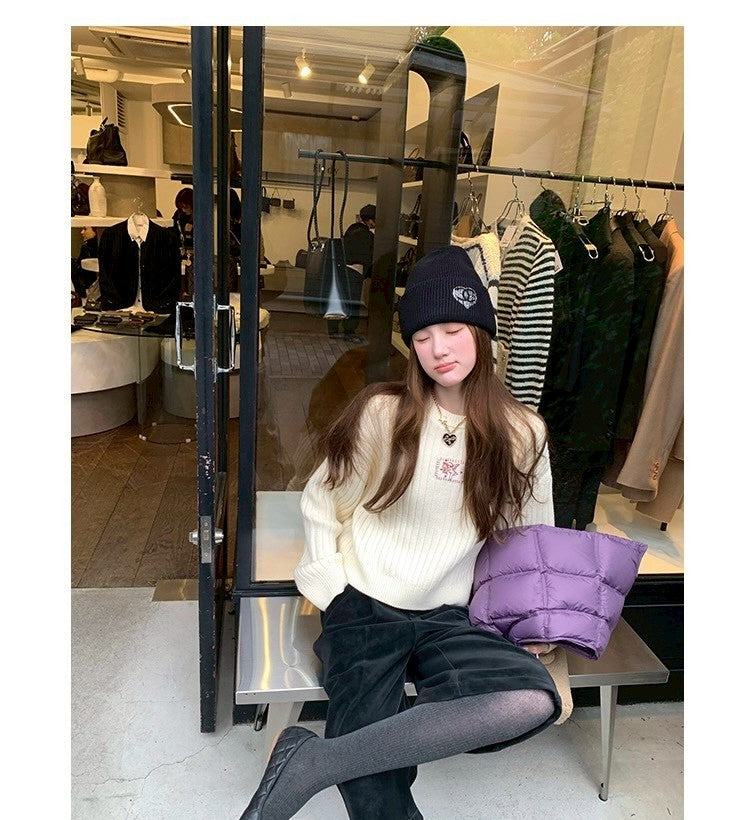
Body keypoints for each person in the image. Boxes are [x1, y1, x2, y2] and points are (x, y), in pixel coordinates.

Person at [240, 246, 562, 820]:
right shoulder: (382, 414)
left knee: (528, 699)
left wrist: (535, 622)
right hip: (365, 603)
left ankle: (312, 762)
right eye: (422, 336)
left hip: (452, 614)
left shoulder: (522, 432)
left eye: (453, 330)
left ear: (481, 332)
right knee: (374, 776)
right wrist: (334, 590)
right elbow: (321, 501)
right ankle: (335, 762)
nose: (439, 349)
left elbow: (532, 540)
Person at [328, 203, 376, 341]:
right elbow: (368, 257)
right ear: (370, 220)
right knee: (352, 303)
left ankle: (333, 330)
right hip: (354, 271)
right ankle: (349, 332)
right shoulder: (366, 235)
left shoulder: (352, 229)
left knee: (339, 300)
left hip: (341, 269)